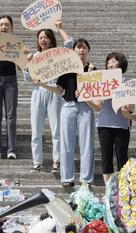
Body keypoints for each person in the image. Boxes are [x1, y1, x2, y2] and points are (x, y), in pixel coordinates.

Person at [37, 38, 99, 188]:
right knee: (66, 143)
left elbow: (97, 93)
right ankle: (67, 177)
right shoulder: (67, 68)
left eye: (84, 48)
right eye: (79, 47)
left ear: (88, 50)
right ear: (74, 50)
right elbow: (59, 90)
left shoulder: (93, 70)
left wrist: (89, 75)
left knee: (87, 144)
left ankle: (86, 178)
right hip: (69, 105)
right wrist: (43, 84)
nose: (81, 50)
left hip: (86, 107)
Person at [25, 21, 70, 172]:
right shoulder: (35, 56)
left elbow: (70, 45)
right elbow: (27, 78)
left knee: (56, 129)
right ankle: (37, 162)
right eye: (40, 37)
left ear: (51, 39)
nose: (43, 40)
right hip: (38, 92)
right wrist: (28, 63)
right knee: (36, 129)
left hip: (54, 90)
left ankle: (56, 161)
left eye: (46, 37)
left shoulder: (57, 53)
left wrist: (60, 28)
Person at [95, 52, 135, 184]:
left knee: (122, 156)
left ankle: (123, 187)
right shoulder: (102, 81)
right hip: (104, 124)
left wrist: (127, 106)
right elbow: (98, 105)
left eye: (114, 61)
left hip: (121, 124)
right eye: (108, 61)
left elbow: (131, 107)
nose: (110, 63)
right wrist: (86, 96)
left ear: (121, 64)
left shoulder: (127, 83)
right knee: (106, 157)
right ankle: (109, 189)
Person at [0, 15, 19, 160]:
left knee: (11, 115)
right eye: (1, 24)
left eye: (7, 24)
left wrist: (23, 55)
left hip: (11, 80)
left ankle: (11, 149)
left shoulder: (15, 43)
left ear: (11, 27)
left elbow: (20, 66)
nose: (4, 27)